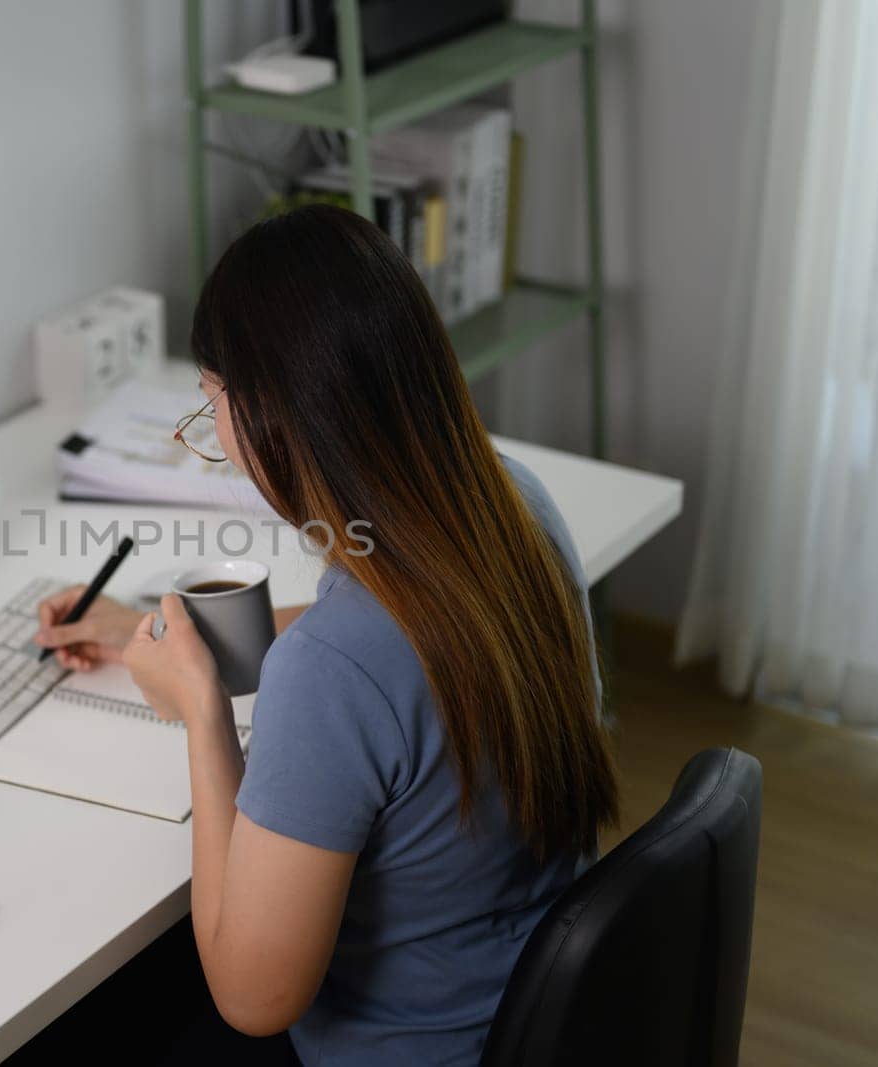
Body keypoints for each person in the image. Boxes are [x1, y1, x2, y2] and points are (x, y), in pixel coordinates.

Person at [34, 204, 619, 1065]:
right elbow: (393, 645)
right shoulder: (512, 504)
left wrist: (201, 713)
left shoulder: (332, 671)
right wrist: (156, 629)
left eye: (210, 409)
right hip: (529, 1019)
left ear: (274, 415)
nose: (218, 443)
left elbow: (251, 997)